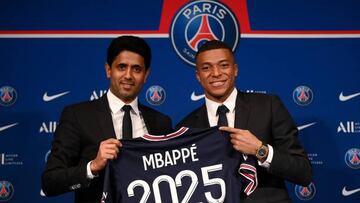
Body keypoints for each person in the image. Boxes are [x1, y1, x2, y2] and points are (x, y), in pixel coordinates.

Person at [176, 40, 312, 203]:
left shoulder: (268, 106)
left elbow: (303, 173)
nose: (216, 73)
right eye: (206, 68)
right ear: (198, 76)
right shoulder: (185, 128)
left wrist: (260, 150)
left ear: (235, 70)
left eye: (224, 65)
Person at [42, 35, 173, 203]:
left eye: (137, 69)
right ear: (108, 70)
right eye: (121, 67)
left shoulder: (161, 123)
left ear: (146, 75)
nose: (128, 75)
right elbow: (50, 182)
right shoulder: (77, 116)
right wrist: (93, 167)